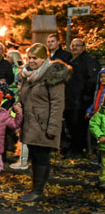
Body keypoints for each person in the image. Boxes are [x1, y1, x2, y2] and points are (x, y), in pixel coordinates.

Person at [19, 43, 71, 202]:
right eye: (29, 58)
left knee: (41, 156)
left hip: (43, 124)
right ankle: (36, 189)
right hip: (31, 123)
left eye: (35, 58)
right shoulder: (29, 75)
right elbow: (26, 97)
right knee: (34, 155)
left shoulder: (52, 76)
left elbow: (57, 104)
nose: (31, 61)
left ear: (44, 58)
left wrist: (53, 128)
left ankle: (38, 191)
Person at [63, 38, 100, 158]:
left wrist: (87, 95)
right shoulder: (69, 60)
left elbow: (93, 79)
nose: (74, 48)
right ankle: (72, 147)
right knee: (70, 123)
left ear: (83, 47)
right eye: (72, 45)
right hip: (69, 98)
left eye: (77, 45)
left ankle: (78, 149)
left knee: (78, 124)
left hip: (81, 99)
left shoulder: (89, 61)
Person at [89, 103, 105, 190]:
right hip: (104, 145)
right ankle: (103, 181)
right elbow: (93, 124)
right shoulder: (101, 113)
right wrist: (99, 135)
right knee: (104, 164)